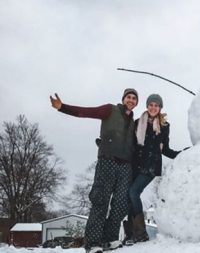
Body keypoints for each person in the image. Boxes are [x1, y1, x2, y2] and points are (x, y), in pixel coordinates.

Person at [50, 89, 139, 253]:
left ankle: (110, 238)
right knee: (100, 201)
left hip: (125, 166)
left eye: (134, 98)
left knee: (120, 205)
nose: (131, 100)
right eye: (129, 97)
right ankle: (92, 243)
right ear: (123, 99)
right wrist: (62, 107)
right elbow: (86, 112)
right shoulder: (110, 110)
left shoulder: (134, 123)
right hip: (107, 161)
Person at [125, 94, 181, 243]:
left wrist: (180, 154)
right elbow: (131, 144)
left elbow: (165, 149)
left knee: (133, 192)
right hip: (135, 164)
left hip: (150, 166)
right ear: (147, 106)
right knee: (129, 197)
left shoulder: (164, 126)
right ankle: (130, 235)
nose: (153, 107)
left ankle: (141, 233)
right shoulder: (138, 122)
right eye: (151, 104)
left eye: (156, 105)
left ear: (160, 108)